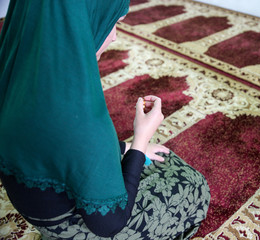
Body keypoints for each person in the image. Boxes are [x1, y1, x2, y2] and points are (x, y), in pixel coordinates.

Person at [0, 0, 210, 239]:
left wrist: (124, 148)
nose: (114, 37)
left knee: (156, 161)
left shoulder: (15, 69)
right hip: (74, 230)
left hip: (37, 205)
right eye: (114, 22)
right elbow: (109, 223)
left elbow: (51, 144)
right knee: (191, 183)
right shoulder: (80, 117)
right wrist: (141, 138)